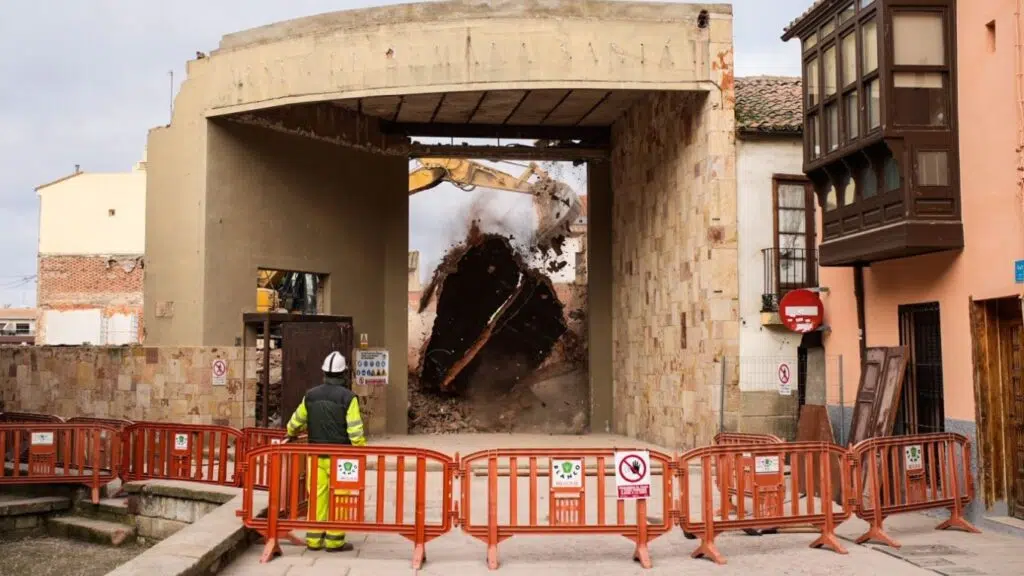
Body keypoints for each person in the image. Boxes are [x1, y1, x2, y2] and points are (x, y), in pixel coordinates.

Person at [285, 350, 366, 552]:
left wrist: (292, 432)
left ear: (324, 372)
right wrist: (361, 452)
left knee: (317, 497)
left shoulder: (310, 396)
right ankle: (334, 541)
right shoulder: (349, 398)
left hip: (315, 455)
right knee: (341, 497)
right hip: (342, 458)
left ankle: (314, 539)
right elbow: (355, 431)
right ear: (343, 373)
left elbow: (294, 423)